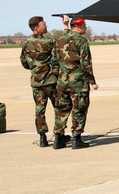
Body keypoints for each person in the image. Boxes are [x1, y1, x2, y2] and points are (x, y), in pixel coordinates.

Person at [20, 15, 68, 147]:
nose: (46, 26)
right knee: (59, 108)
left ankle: (42, 138)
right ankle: (59, 136)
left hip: (37, 82)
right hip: (51, 81)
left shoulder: (26, 43)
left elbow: (24, 63)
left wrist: (36, 68)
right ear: (36, 29)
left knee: (39, 110)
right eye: (43, 25)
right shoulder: (47, 42)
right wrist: (66, 25)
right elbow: (64, 43)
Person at [52, 17, 98, 149]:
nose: (86, 28)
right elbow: (86, 63)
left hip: (62, 83)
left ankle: (58, 139)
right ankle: (76, 139)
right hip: (78, 84)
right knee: (79, 109)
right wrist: (92, 82)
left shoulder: (60, 40)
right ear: (78, 26)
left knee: (61, 110)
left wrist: (58, 79)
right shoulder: (81, 41)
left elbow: (54, 62)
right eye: (84, 25)